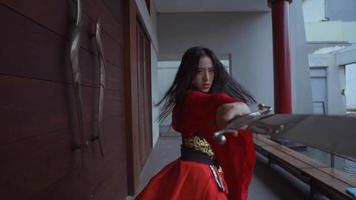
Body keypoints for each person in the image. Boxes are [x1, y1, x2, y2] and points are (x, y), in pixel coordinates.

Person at [136, 46, 256, 200]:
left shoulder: (189, 100)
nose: (207, 78)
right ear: (189, 73)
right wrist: (239, 106)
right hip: (199, 174)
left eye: (211, 71)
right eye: (199, 71)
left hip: (202, 170)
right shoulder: (191, 99)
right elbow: (215, 104)